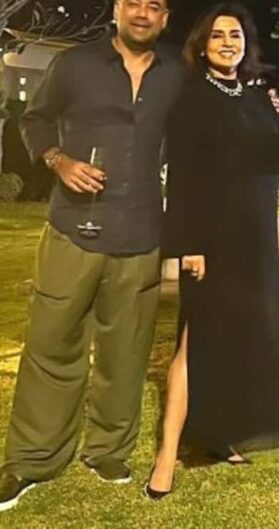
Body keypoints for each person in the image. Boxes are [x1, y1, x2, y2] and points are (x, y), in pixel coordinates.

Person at [0, 0, 182, 512]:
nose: (142, 13)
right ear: (116, 10)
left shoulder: (178, 73)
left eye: (154, 6)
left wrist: (265, 106)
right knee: (51, 343)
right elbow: (35, 119)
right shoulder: (75, 64)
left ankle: (108, 449)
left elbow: (212, 120)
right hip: (72, 229)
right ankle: (34, 458)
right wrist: (59, 160)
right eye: (132, 3)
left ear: (165, 17)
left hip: (140, 231)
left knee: (126, 351)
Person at [144, 3, 279, 500]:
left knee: (239, 338)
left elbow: (275, 161)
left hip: (255, 238)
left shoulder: (259, 98)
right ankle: (166, 455)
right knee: (194, 341)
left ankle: (220, 434)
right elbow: (183, 177)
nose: (228, 43)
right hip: (211, 239)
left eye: (235, 35)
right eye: (218, 36)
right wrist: (189, 245)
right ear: (202, 44)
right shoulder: (192, 98)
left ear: (246, 44)